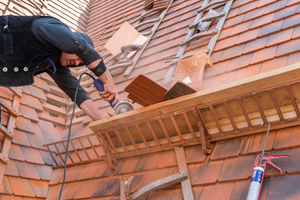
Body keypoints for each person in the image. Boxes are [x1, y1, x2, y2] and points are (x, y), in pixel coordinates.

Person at [0, 15, 118, 121]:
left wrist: (100, 118)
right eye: (79, 57)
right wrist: (108, 81)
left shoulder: (56, 63)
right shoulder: (50, 27)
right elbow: (79, 46)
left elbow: (76, 91)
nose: (77, 63)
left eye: (81, 63)